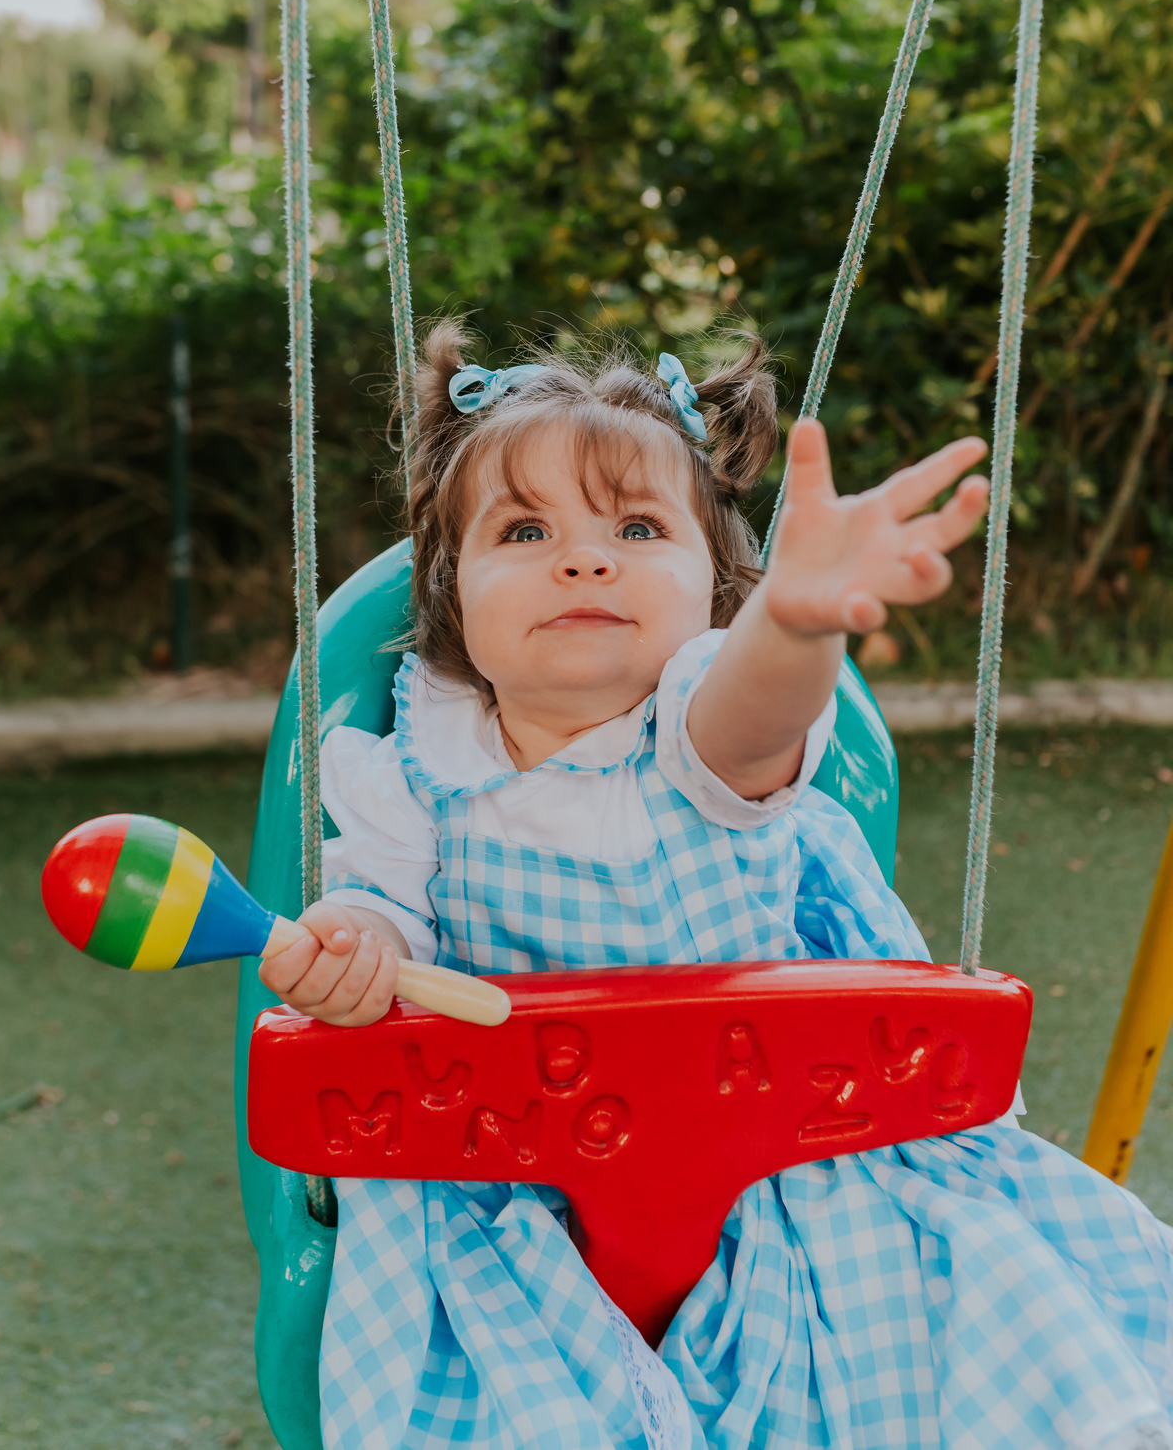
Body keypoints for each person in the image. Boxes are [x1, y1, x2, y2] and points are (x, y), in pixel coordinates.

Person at [261, 325, 1173, 1450]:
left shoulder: (699, 728)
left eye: (637, 528)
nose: (584, 559)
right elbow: (381, 917)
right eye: (526, 529)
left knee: (902, 1341)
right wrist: (345, 946)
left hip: (782, 1173)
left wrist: (795, 621)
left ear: (712, 587)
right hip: (508, 1195)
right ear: (453, 588)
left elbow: (757, 714)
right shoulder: (413, 764)